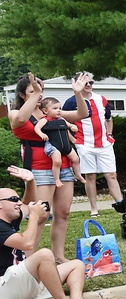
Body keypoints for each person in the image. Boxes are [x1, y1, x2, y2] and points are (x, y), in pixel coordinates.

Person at [0, 166, 113, 299]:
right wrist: (33, 216)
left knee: (76, 265)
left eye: (18, 199)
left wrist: (31, 180)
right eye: (13, 200)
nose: (19, 203)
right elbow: (27, 243)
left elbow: (28, 202)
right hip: (5, 287)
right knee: (45, 254)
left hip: (19, 283)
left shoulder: (10, 217)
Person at [8, 73, 90, 262]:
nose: (39, 94)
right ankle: (28, 260)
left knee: (63, 212)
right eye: (33, 91)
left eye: (41, 90)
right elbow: (19, 119)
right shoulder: (16, 113)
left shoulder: (50, 113)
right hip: (39, 168)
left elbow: (82, 114)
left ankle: (58, 255)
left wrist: (78, 93)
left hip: (64, 166)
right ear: (22, 95)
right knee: (41, 215)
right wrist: (37, 93)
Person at [62, 72, 124, 217]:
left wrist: (109, 134)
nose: (89, 85)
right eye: (85, 83)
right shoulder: (71, 102)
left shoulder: (101, 99)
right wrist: (72, 139)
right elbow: (62, 121)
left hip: (104, 144)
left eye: (91, 83)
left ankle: (121, 204)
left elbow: (109, 119)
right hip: (85, 144)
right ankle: (94, 208)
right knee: (90, 176)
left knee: (111, 175)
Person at [33, 97, 85, 188]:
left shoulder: (61, 119)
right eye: (55, 108)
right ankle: (56, 179)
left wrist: (72, 127)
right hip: (53, 146)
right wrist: (41, 134)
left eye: (60, 108)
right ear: (45, 111)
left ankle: (78, 175)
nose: (58, 111)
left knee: (76, 159)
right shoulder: (44, 120)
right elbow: (36, 128)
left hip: (65, 145)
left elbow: (69, 125)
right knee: (57, 161)